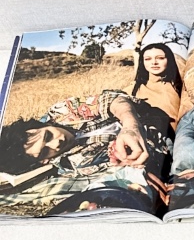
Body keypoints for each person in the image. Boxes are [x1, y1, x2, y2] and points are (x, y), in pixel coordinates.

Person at [0, 88, 165, 213]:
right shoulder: (70, 165)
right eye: (45, 152)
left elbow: (112, 99)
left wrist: (130, 125)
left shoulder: (61, 111)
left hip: (157, 114)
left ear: (42, 124)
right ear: (43, 161)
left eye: (48, 136)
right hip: (162, 146)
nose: (56, 143)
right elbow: (118, 169)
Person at [130, 42, 183, 128]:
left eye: (160, 58)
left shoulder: (180, 88)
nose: (154, 62)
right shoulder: (132, 89)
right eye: (148, 59)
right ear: (142, 62)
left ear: (169, 60)